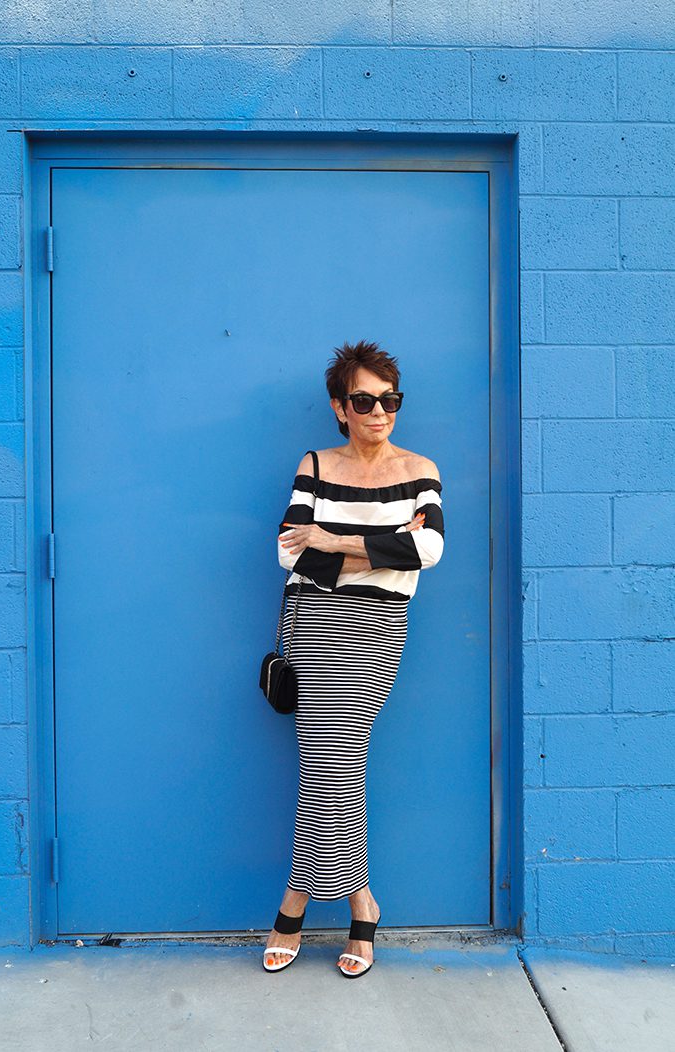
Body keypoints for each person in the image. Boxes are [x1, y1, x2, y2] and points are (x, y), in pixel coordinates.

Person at [263, 339, 445, 978]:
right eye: (364, 401)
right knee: (329, 758)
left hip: (376, 617)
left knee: (330, 757)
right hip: (310, 615)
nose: (379, 413)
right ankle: (359, 907)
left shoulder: (421, 470)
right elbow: (291, 552)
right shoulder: (315, 464)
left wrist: (334, 538)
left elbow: (426, 551)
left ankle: (299, 900)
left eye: (389, 400)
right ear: (341, 408)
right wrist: (380, 546)